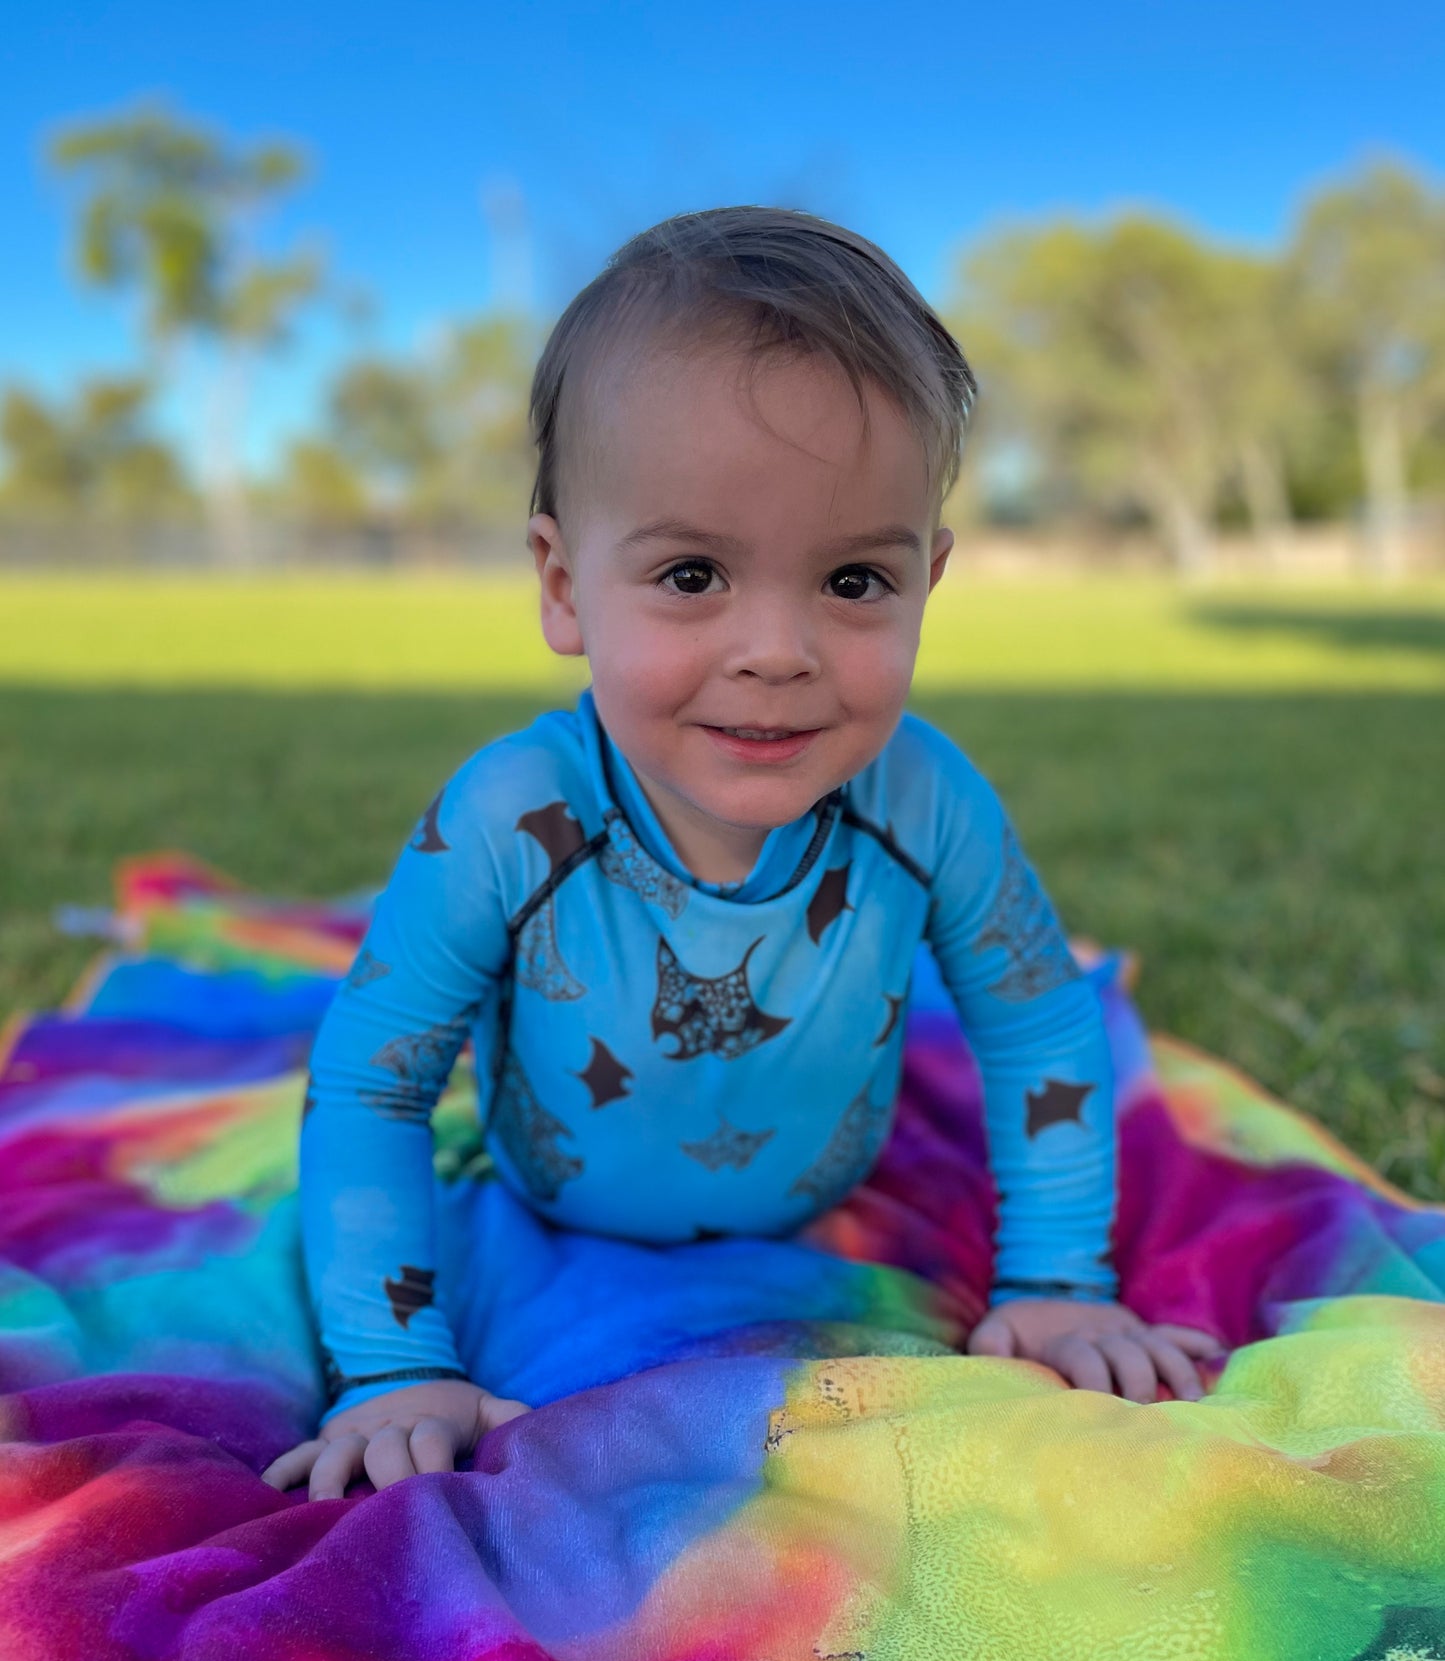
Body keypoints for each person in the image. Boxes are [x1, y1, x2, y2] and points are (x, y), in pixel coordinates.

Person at [262, 207, 1221, 1501]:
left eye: (852, 582)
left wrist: (1055, 1282)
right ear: (561, 584)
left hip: (824, 1203)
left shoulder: (924, 798)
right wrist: (390, 1365)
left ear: (925, 579)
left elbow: (1041, 1024)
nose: (777, 649)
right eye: (695, 573)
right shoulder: (508, 818)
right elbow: (371, 1082)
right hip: (557, 1206)